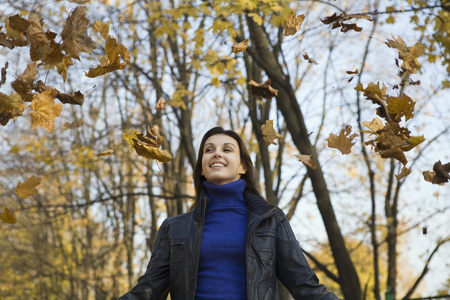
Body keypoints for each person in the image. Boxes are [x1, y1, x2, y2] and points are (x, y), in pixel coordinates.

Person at [118, 127, 341, 300]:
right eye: (209, 150)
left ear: (242, 166)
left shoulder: (271, 221)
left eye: (226, 149)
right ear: (202, 168)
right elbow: (147, 291)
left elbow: (305, 286)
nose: (216, 154)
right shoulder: (175, 228)